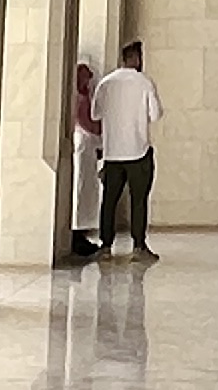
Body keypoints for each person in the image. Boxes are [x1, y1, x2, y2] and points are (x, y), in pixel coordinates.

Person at [94, 39, 160, 257]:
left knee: (109, 200)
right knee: (138, 200)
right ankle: (138, 246)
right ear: (137, 58)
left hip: (112, 152)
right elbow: (155, 114)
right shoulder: (144, 82)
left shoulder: (105, 83)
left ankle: (105, 246)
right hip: (137, 150)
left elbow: (95, 114)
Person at [66, 57, 103, 258]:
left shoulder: (83, 96)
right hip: (81, 145)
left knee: (86, 188)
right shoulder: (78, 99)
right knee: (79, 188)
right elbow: (86, 122)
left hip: (87, 147)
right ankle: (76, 231)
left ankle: (82, 229)